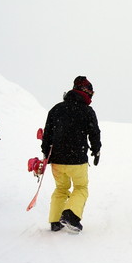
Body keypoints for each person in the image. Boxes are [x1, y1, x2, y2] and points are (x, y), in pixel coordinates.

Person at [41, 75, 102, 233]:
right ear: (85, 91)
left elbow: (47, 133)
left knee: (61, 188)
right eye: (91, 92)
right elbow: (94, 133)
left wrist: (45, 154)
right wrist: (96, 150)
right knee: (81, 187)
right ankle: (71, 215)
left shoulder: (56, 109)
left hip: (57, 159)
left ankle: (55, 221)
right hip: (77, 159)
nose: (91, 96)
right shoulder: (87, 111)